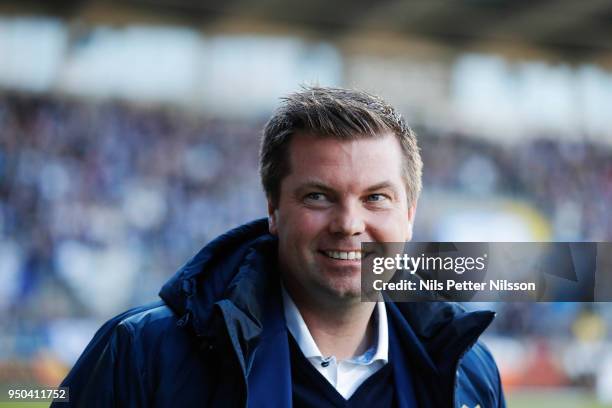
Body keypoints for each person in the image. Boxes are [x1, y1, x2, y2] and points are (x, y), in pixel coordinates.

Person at [54, 86, 505, 407]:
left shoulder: (469, 369)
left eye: (376, 198)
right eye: (318, 196)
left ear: (409, 214)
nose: (349, 224)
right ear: (273, 209)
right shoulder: (139, 353)